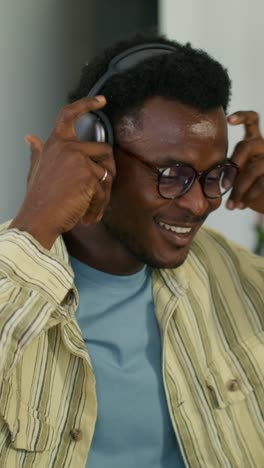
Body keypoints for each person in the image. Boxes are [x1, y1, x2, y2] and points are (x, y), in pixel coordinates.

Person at [0, 33, 263, 468]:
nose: (199, 204)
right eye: (172, 174)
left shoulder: (233, 278)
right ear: (97, 152)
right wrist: (34, 227)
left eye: (215, 175)